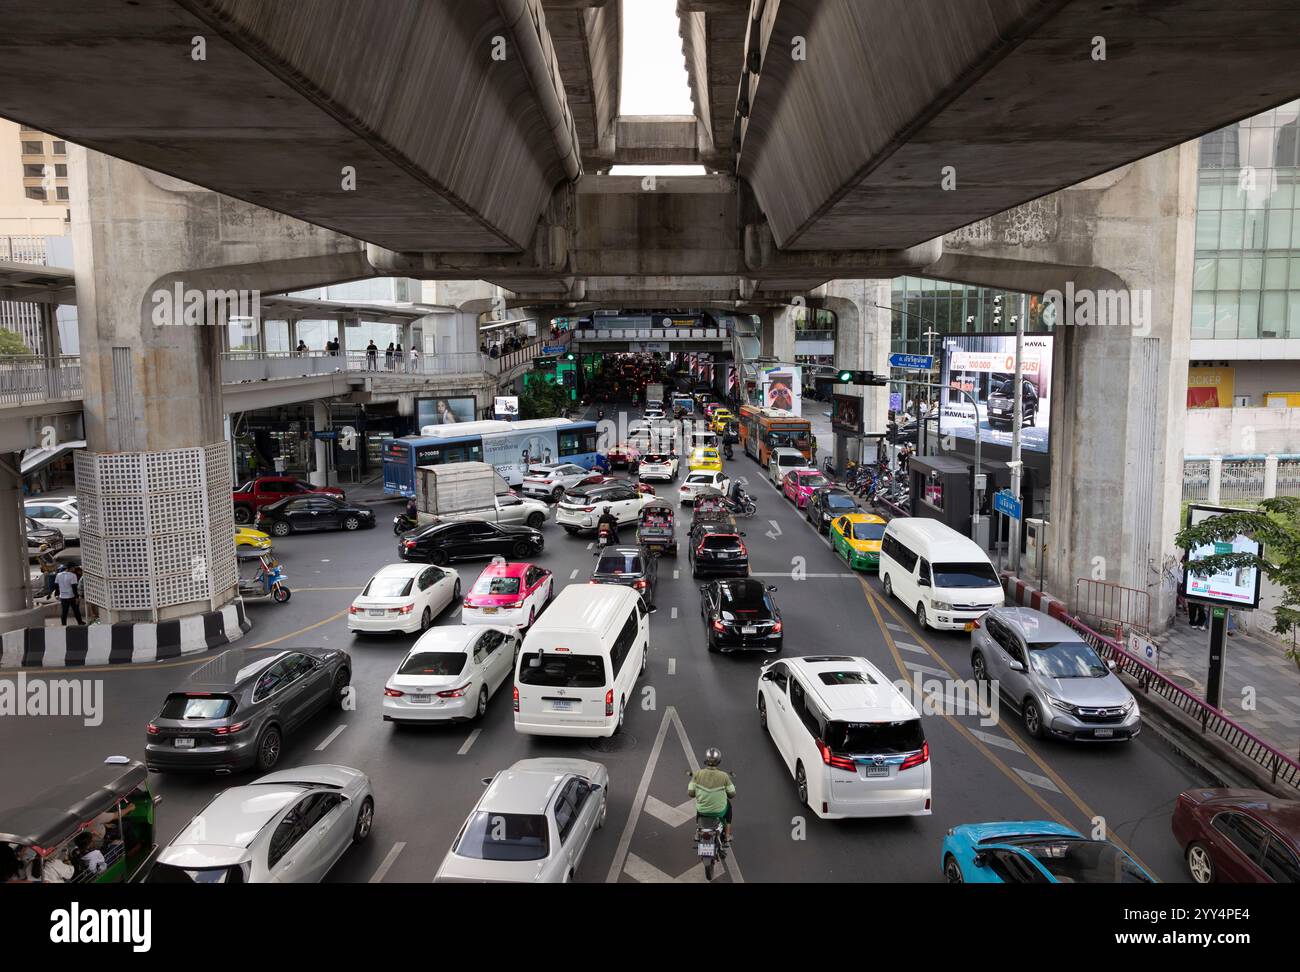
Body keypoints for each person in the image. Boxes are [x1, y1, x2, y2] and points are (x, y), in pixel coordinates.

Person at [688, 747, 736, 844]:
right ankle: (727, 835)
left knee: (699, 806)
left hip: (702, 811)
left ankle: (698, 832)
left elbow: (691, 793)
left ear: (706, 760)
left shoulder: (698, 774)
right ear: (719, 761)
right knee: (729, 806)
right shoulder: (724, 776)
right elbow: (732, 794)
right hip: (719, 812)